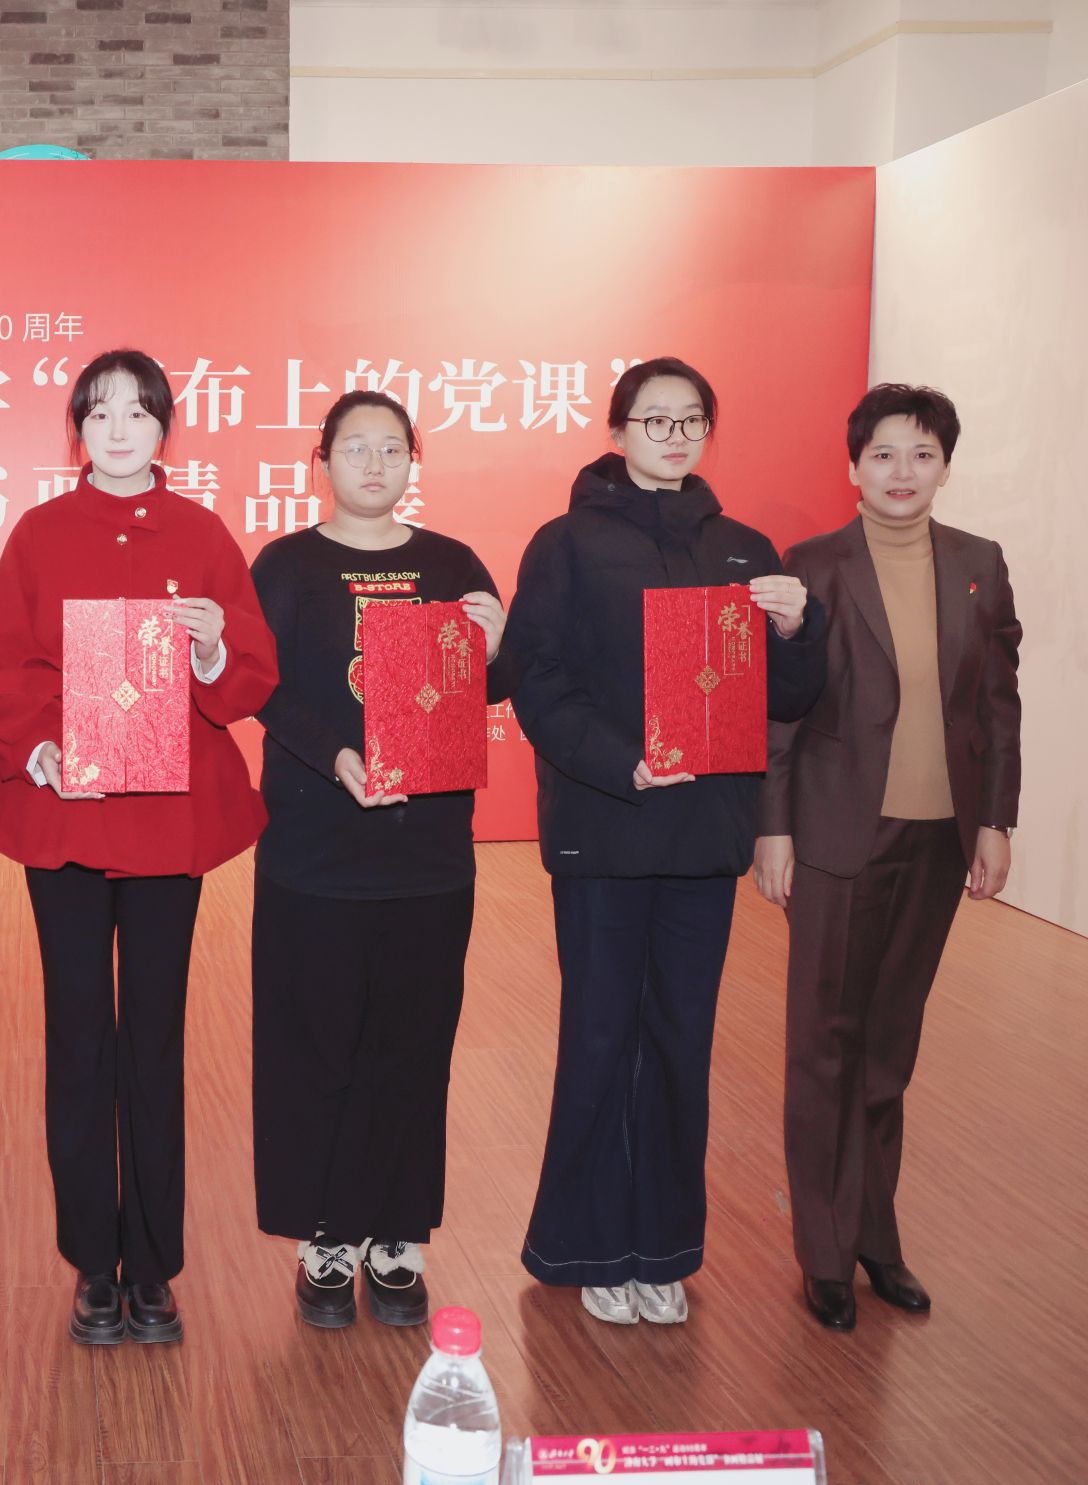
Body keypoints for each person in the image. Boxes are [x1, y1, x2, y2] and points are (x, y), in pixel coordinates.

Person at [504, 355, 825, 1327]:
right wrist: (622, 762)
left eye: (690, 420)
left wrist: (796, 628)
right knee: (601, 1035)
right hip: (604, 829)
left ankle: (664, 1251)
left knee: (682, 1041)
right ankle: (591, 1246)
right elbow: (536, 680)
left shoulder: (742, 548)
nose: (674, 435)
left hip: (700, 839)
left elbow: (786, 699)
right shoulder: (564, 543)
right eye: (654, 419)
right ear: (617, 432)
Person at [0, 348, 277, 1345]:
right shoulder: (38, 533)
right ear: (77, 429)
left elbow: (247, 680)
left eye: (137, 412)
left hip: (166, 818)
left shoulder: (201, 533)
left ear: (162, 429)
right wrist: (41, 746)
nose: (116, 429)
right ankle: (89, 1262)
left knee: (154, 1033)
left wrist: (210, 646)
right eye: (98, 412)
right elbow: (6, 666)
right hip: (65, 813)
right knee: (76, 1035)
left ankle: (151, 1263)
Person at [249, 390, 519, 1328]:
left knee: (413, 1047)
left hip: (428, 855)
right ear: (321, 459)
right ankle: (325, 1238)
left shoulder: (451, 563)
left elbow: (493, 683)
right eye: (355, 447)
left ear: (414, 460)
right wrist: (335, 756)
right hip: (313, 851)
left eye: (392, 448)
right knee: (313, 1046)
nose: (374, 463)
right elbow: (262, 689)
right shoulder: (286, 565)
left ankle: (398, 1235)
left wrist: (498, 644)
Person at [753, 383, 1021, 1331]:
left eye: (922, 454)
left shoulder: (980, 563)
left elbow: (997, 704)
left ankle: (876, 1237)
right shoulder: (813, 565)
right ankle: (825, 1253)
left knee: (888, 1048)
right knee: (824, 1044)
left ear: (945, 465)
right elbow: (780, 708)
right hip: (835, 835)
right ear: (854, 466)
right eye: (883, 454)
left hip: (938, 838)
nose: (902, 472)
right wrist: (773, 827)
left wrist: (996, 820)